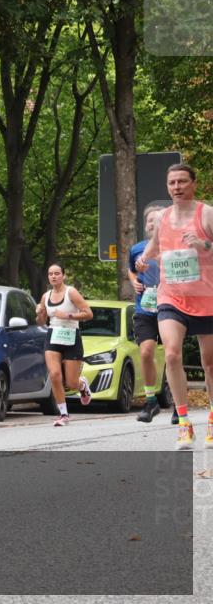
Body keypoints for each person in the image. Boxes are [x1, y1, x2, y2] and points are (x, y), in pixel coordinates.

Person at [136, 163, 213, 449]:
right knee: (170, 354)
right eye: (172, 183)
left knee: (209, 363)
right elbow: (155, 246)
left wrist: (205, 246)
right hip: (172, 297)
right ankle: (183, 423)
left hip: (207, 298)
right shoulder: (163, 217)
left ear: (194, 183)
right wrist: (143, 259)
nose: (177, 187)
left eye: (182, 181)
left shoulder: (206, 214)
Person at [36, 264, 94, 427]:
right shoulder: (45, 296)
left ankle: (82, 385)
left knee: (71, 383)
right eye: (50, 274)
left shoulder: (71, 293)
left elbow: (89, 314)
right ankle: (63, 414)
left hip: (71, 337)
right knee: (54, 374)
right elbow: (41, 322)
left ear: (63, 276)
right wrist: (40, 312)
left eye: (57, 273)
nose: (53, 276)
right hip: (53, 335)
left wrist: (68, 315)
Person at [128, 205, 169, 423]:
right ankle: (151, 400)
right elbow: (131, 270)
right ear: (146, 225)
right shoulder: (137, 249)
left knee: (172, 355)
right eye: (149, 221)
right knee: (145, 353)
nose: (153, 223)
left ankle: (174, 400)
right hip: (144, 307)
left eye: (157, 219)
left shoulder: (173, 247)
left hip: (170, 306)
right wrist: (134, 281)